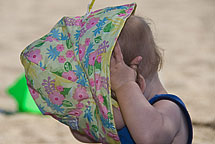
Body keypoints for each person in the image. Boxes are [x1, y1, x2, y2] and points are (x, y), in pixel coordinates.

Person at [71, 16, 193, 144]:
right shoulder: (120, 111)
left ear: (137, 81)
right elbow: (86, 135)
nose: (110, 100)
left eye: (110, 92)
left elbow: (150, 138)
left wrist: (125, 85)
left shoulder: (170, 108)